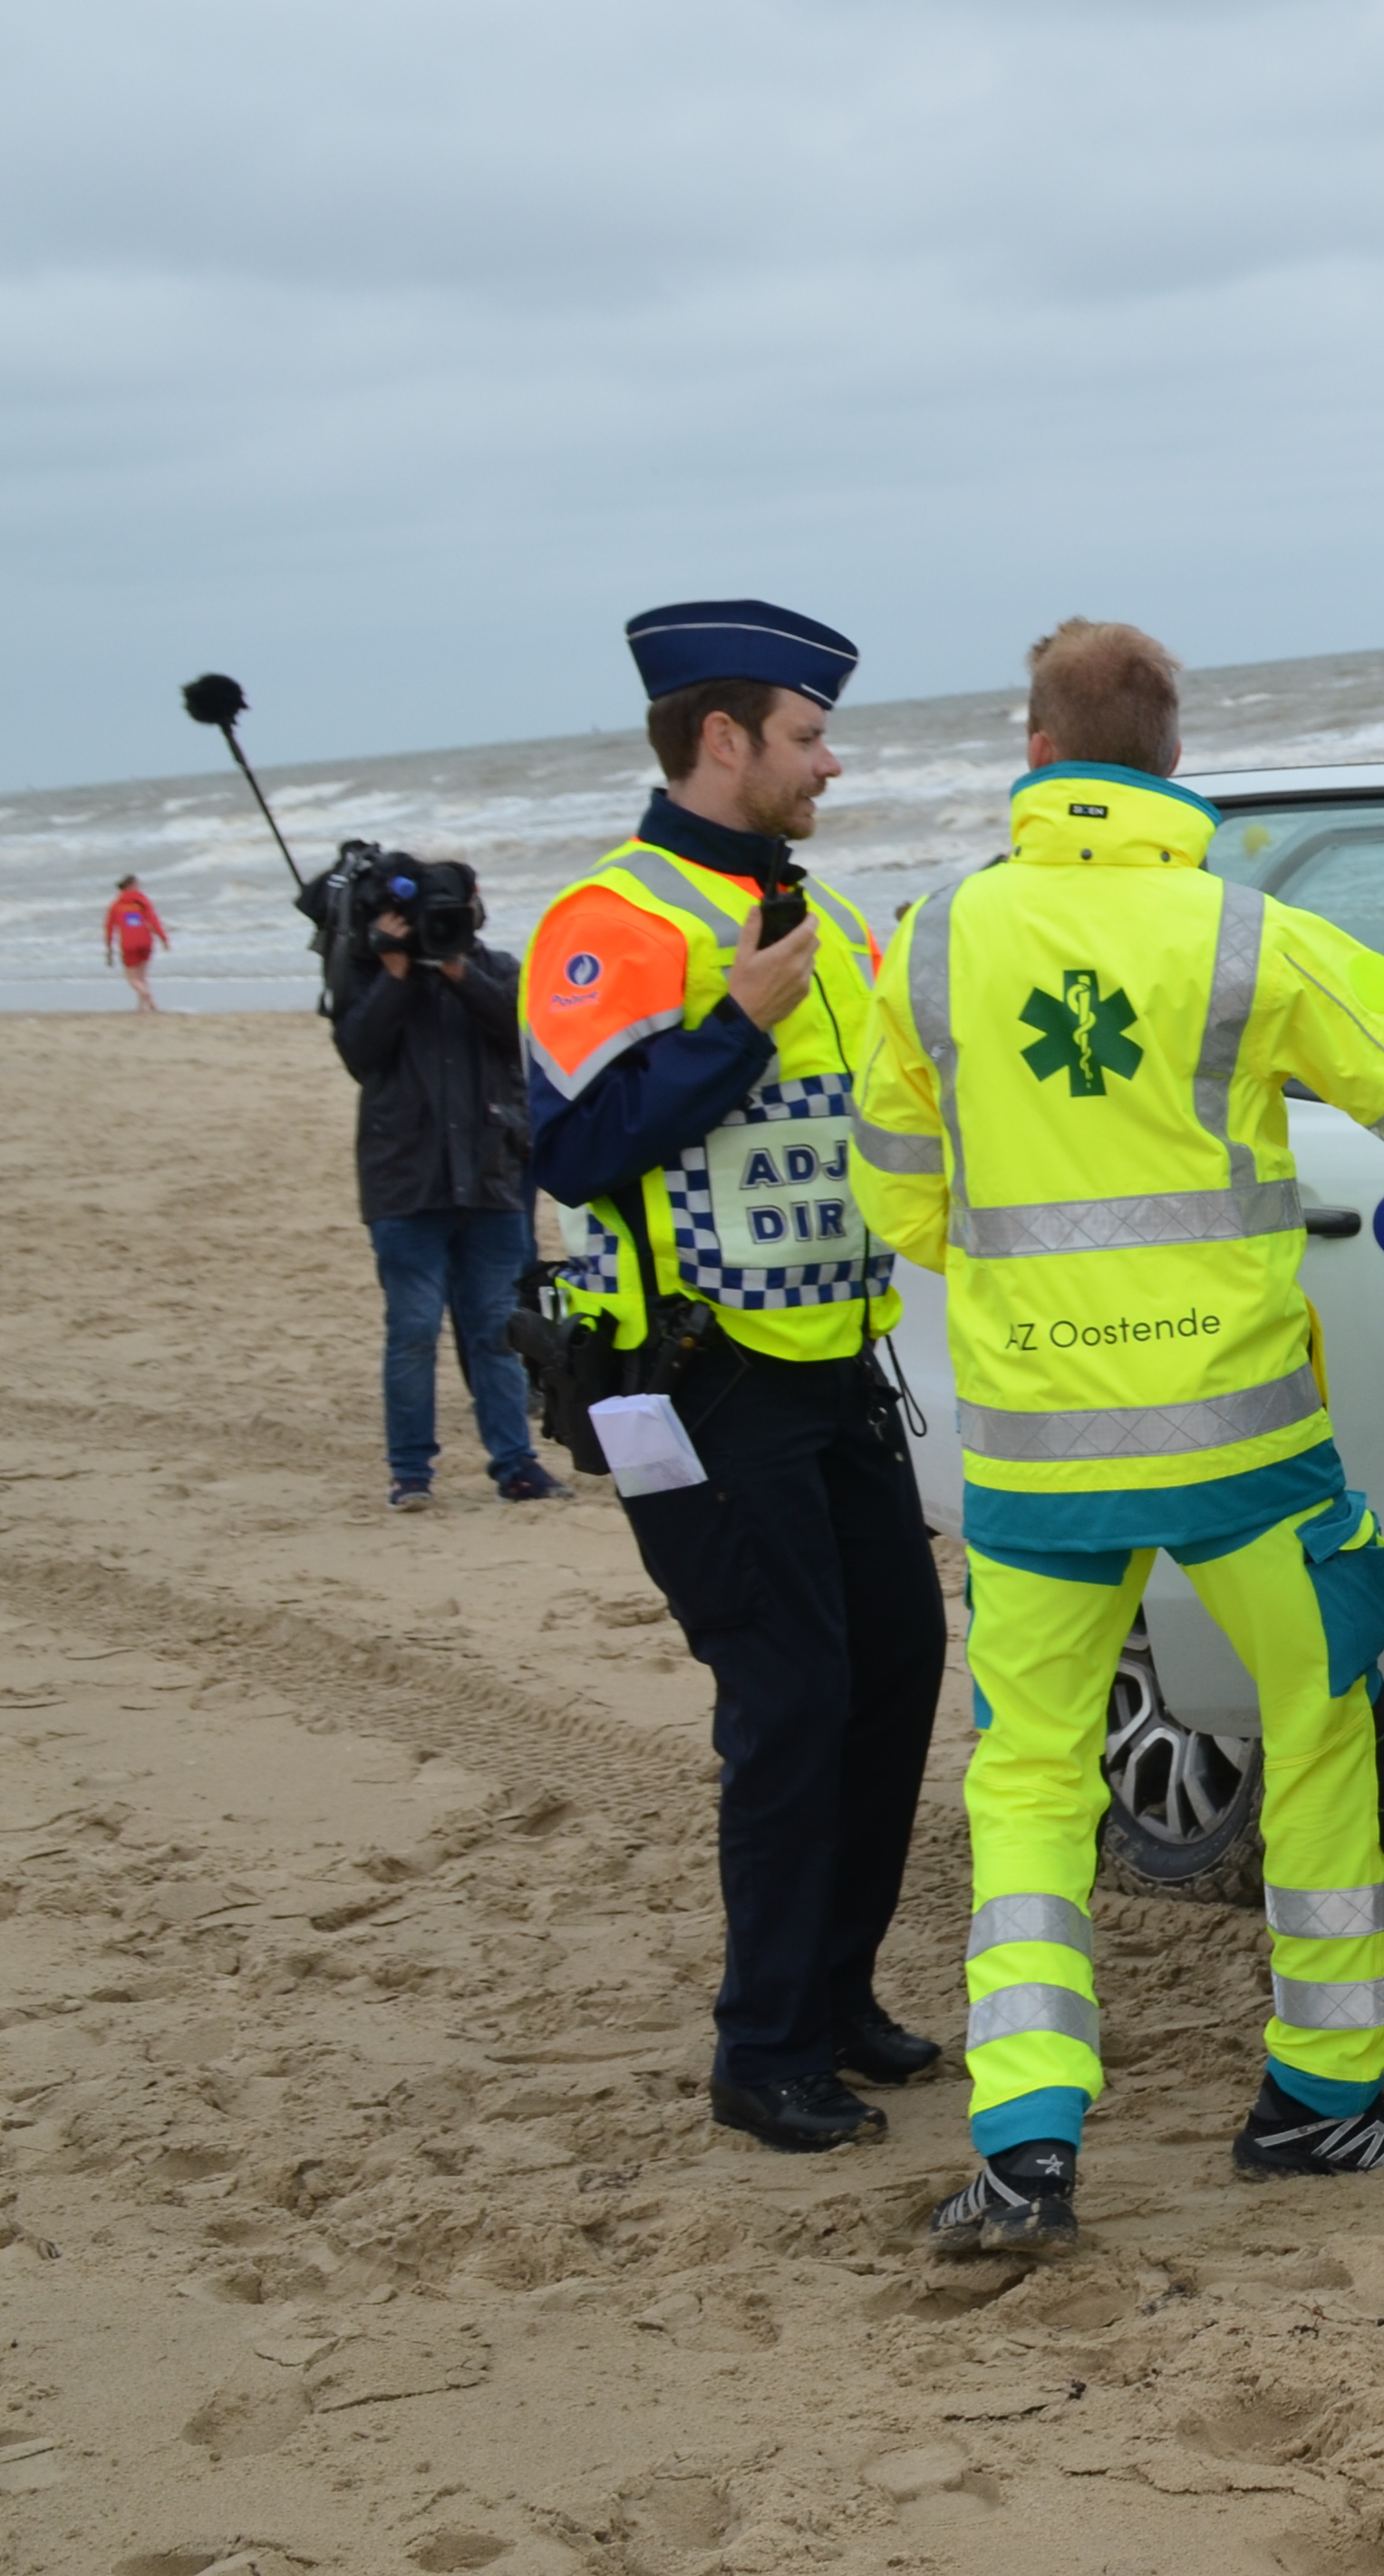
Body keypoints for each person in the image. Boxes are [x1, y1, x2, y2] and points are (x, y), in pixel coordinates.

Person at [858, 617, 1384, 2259]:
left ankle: (1027, 2144)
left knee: (1031, 1786)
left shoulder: (931, 941)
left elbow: (900, 1198)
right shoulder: (1247, 938)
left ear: (1032, 745)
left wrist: (1040, 1301)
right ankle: (1317, 2092)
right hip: (1244, 1449)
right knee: (1324, 1727)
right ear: (1172, 757)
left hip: (1040, 1464)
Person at [522, 601, 944, 2158]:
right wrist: (731, 1027)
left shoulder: (824, 914)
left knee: (893, 1673)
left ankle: (834, 1997)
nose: (829, 761)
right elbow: (569, 1144)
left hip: (836, 1365)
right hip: (692, 1381)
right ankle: (758, 2047)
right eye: (807, 735)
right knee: (790, 1695)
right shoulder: (608, 919)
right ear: (725, 741)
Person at [331, 865, 561, 1510]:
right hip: (406, 1185)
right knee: (411, 1329)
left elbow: (526, 1037)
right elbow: (358, 1052)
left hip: (490, 1179)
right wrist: (396, 973)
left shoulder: (497, 969)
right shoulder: (373, 974)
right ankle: (410, 1473)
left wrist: (459, 970)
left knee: (495, 1331)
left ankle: (516, 1465)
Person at [104, 875, 169, 1012]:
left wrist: (109, 946)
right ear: (131, 886)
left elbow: (109, 927)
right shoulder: (142, 902)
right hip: (146, 941)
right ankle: (142, 1007)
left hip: (129, 944)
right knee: (142, 976)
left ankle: (147, 996)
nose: (140, 887)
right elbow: (154, 921)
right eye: (138, 884)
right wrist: (164, 939)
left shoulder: (116, 905)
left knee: (132, 979)